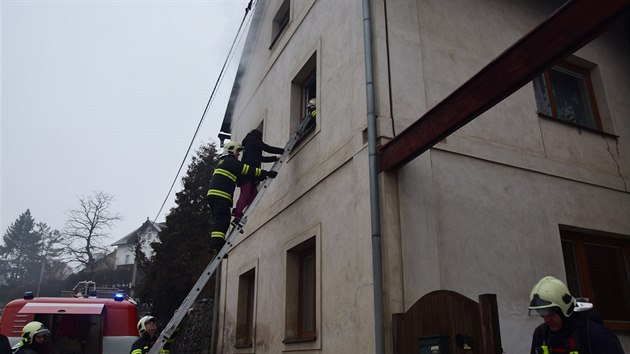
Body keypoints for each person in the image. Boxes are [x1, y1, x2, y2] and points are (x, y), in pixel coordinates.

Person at [207, 140, 277, 250]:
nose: (238, 154)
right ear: (231, 150)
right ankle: (217, 245)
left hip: (214, 196)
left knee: (219, 220)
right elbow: (247, 170)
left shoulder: (223, 162)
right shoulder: (230, 161)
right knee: (223, 219)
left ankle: (215, 245)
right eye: (237, 151)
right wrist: (266, 173)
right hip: (221, 196)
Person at [529, 276, 625, 354]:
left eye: (550, 313)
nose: (546, 319)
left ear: (563, 309)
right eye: (541, 313)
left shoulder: (596, 335)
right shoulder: (541, 335)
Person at [232, 129, 284, 223]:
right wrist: (283, 151)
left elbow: (259, 159)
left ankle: (237, 211)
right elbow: (268, 148)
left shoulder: (249, 144)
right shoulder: (253, 141)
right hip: (247, 174)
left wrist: (274, 158)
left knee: (253, 196)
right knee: (245, 194)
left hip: (252, 174)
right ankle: (238, 215)